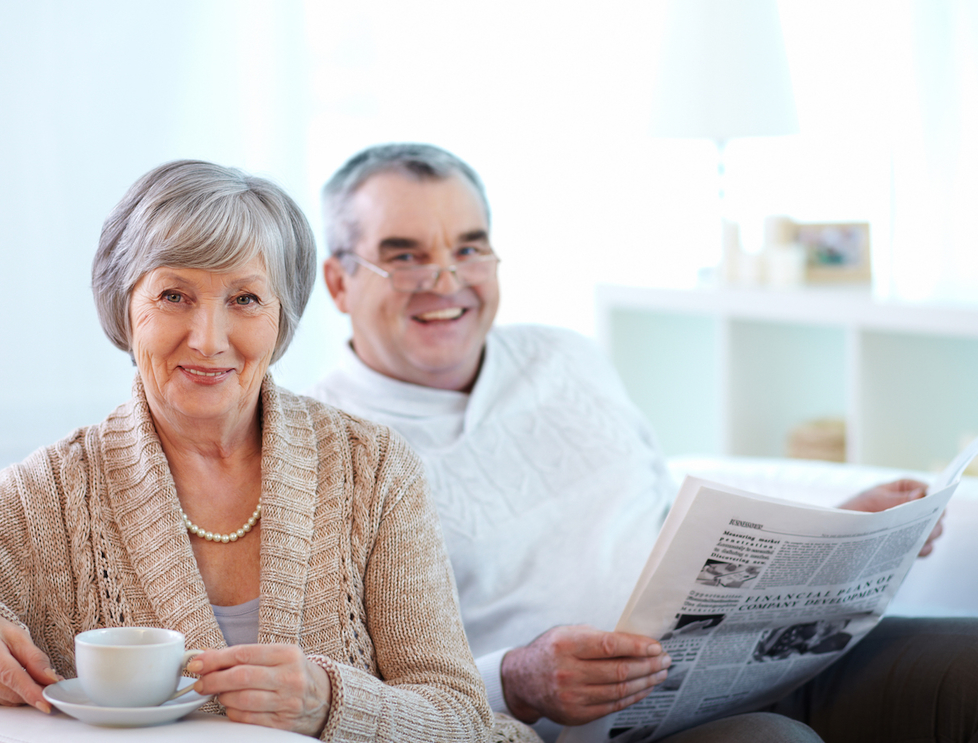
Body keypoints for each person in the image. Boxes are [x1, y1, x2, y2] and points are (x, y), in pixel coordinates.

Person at [0, 159, 537, 742]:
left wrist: (328, 702)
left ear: (282, 317)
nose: (209, 339)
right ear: (125, 308)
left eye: (244, 299)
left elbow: (458, 716)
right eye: (173, 296)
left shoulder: (370, 467)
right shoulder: (55, 491)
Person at [308, 142, 978, 743]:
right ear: (339, 281)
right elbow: (344, 687)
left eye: (469, 248)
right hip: (593, 729)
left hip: (758, 661)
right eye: (405, 256)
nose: (448, 281)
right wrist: (514, 679)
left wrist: (837, 525)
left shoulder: (565, 356)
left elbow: (668, 516)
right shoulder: (325, 448)